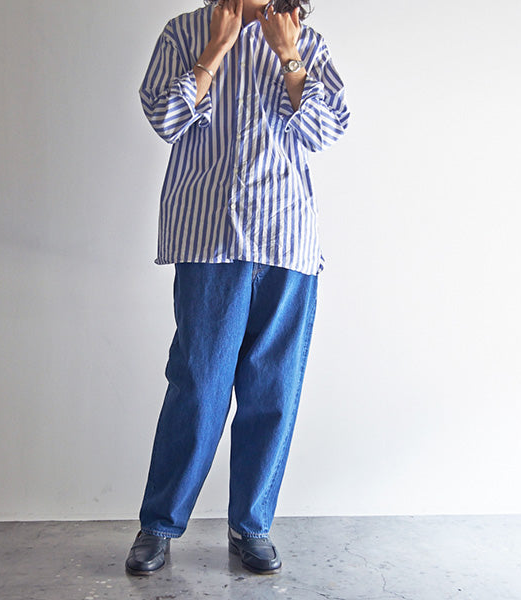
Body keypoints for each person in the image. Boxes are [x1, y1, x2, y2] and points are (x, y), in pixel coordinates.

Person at [125, 0, 350, 576]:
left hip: (285, 236)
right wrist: (214, 50)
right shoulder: (184, 32)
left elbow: (326, 131)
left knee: (272, 392)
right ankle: (159, 525)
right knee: (198, 387)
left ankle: (251, 526)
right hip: (209, 236)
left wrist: (289, 55)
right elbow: (164, 119)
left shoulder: (307, 40)